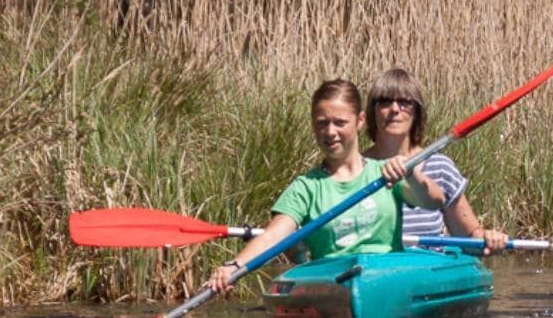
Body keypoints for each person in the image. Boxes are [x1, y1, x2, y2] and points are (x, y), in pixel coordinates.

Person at [200, 78, 448, 297]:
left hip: (386, 282)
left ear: (359, 121)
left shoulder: (384, 173)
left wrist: (412, 173)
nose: (330, 132)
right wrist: (235, 266)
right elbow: (273, 235)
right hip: (333, 286)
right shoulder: (305, 188)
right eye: (322, 123)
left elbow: (434, 200)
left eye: (340, 122)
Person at [362, 66, 507, 254]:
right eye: (385, 102)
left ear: (416, 113)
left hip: (427, 267)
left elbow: (469, 237)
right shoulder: (356, 168)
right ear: (373, 111)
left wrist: (489, 239)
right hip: (374, 268)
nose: (395, 109)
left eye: (405, 102)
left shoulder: (440, 167)